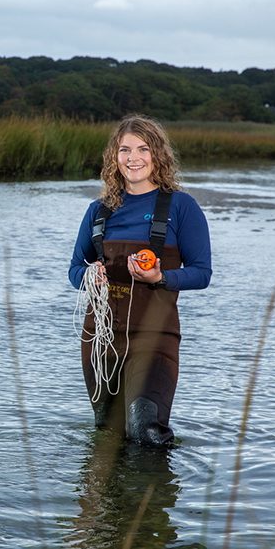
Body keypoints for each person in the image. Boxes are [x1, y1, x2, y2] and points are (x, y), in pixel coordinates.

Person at [69, 114, 211, 445]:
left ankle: (153, 496)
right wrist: (90, 275)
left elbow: (202, 273)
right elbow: (75, 269)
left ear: (157, 154)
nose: (133, 158)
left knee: (146, 430)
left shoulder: (182, 207)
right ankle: (111, 497)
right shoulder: (98, 210)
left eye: (143, 149)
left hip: (155, 337)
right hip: (100, 339)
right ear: (114, 157)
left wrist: (161, 275)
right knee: (109, 434)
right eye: (124, 150)